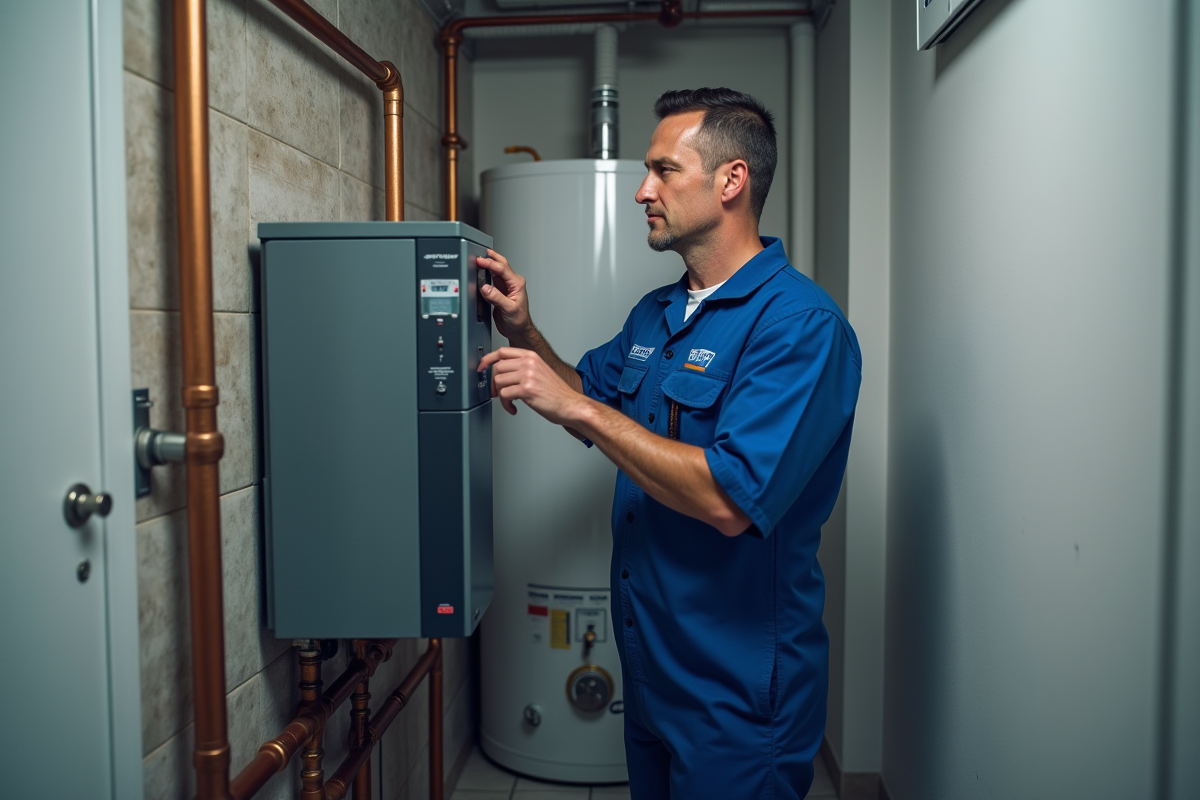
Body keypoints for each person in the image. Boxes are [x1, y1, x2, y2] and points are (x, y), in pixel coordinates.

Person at [477, 87, 862, 800]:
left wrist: (582, 412)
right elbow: (585, 394)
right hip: (651, 668)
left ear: (731, 182)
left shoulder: (799, 327)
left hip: (736, 695)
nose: (641, 191)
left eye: (663, 170)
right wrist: (524, 332)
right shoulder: (657, 314)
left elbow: (726, 499)